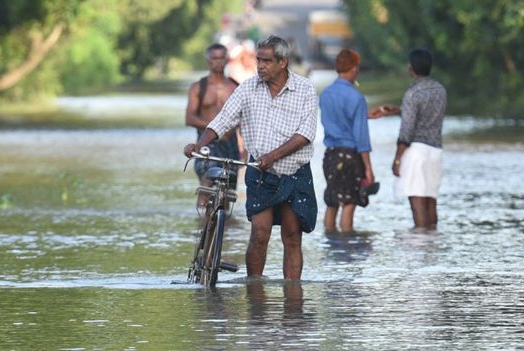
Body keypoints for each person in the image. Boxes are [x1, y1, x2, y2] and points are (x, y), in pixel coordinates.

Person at [184, 35, 318, 280]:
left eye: (266, 61)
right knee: (259, 233)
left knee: (291, 236)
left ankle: (293, 298)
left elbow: (305, 135)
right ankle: (254, 292)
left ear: (283, 62)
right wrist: (199, 144)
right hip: (260, 174)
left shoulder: (305, 89)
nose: (260, 66)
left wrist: (273, 156)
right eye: (258, 60)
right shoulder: (247, 87)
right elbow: (222, 121)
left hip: (294, 173)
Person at [381, 48, 447, 230]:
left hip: (417, 152)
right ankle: (432, 242)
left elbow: (407, 131)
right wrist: (400, 111)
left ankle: (420, 244)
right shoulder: (440, 90)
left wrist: (397, 158)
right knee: (430, 198)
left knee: (416, 199)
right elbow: (428, 116)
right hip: (435, 151)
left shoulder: (413, 93)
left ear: (411, 68)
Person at [319, 48, 377, 233]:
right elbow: (361, 138)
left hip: (330, 156)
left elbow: (337, 120)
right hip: (350, 157)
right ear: (353, 69)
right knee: (349, 203)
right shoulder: (357, 98)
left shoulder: (326, 94)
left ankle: (330, 244)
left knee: (332, 201)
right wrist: (368, 168)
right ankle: (347, 247)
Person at [185, 43, 243, 206]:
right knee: (207, 183)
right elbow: (190, 118)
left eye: (221, 58)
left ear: (227, 60)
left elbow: (244, 119)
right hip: (207, 142)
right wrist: (216, 128)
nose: (218, 62)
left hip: (230, 144)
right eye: (214, 58)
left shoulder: (235, 87)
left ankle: (223, 229)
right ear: (208, 61)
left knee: (228, 193)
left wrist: (244, 148)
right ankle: (202, 223)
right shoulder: (198, 87)